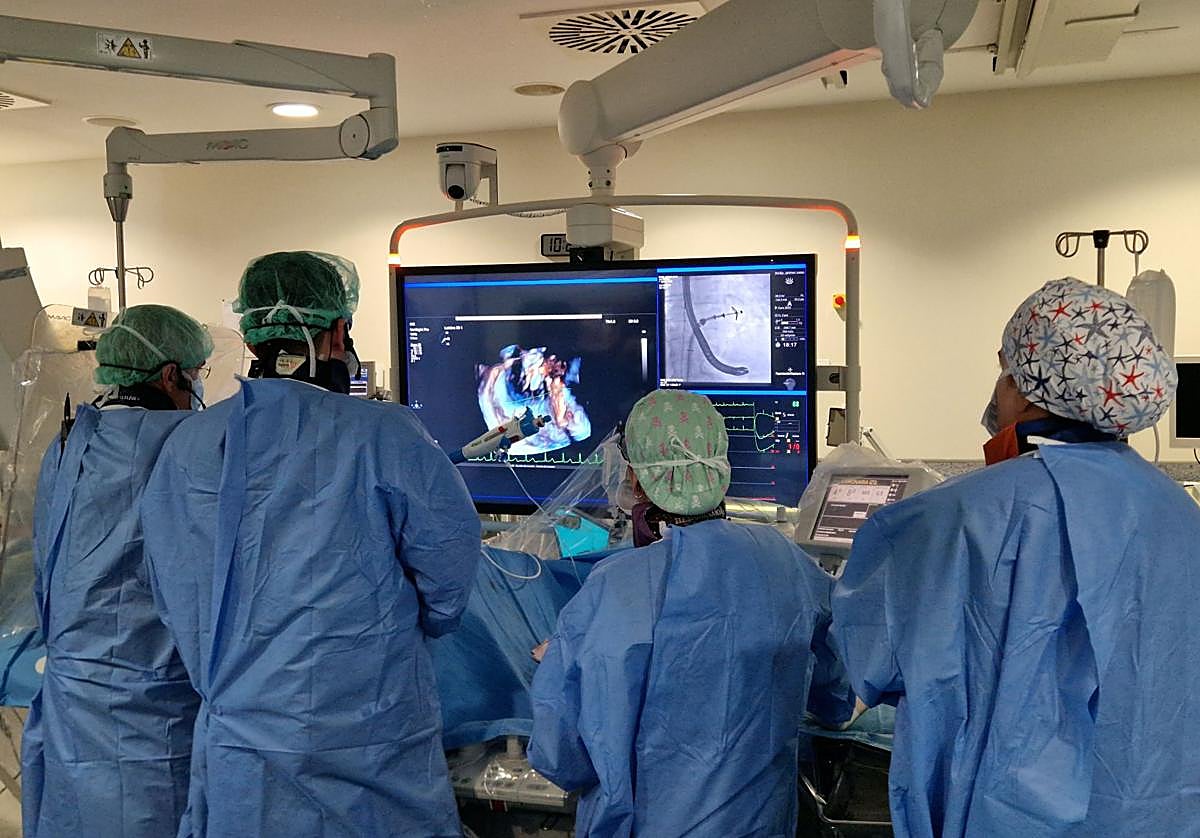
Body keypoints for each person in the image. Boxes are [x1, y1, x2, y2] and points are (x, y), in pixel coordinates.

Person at [832, 276, 1200, 838]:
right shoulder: (1179, 512)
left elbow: (867, 662)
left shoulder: (951, 517)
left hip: (1004, 814)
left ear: (1026, 388)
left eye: (1004, 373)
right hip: (1153, 811)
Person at [139, 251, 481, 838]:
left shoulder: (187, 446)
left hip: (241, 758)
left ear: (250, 338)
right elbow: (448, 577)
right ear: (339, 333)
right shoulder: (384, 435)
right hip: (364, 746)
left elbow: (171, 586)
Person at [528, 390, 854, 837]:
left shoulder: (617, 586)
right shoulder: (783, 560)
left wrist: (566, 657)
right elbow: (834, 692)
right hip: (757, 822)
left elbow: (561, 753)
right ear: (719, 469)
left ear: (638, 481)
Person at [22, 304, 212, 838]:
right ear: (171, 375)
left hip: (73, 693)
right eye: (196, 376)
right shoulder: (186, 445)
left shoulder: (68, 442)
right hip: (151, 701)